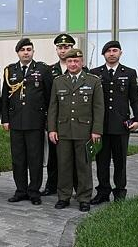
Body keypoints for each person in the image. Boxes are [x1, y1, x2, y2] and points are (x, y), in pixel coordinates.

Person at [48, 48, 104, 212]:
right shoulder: (58, 81)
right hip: (63, 130)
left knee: (84, 166)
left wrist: (96, 131)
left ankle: (84, 198)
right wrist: (52, 129)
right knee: (63, 165)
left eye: (76, 61)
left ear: (82, 62)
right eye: (70, 61)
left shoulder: (93, 81)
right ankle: (63, 197)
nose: (73, 64)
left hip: (85, 131)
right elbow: (53, 107)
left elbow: (99, 108)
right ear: (66, 62)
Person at [1, 38, 53, 205]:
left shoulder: (43, 70)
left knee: (35, 159)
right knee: (18, 159)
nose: (26, 52)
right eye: (22, 49)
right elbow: (5, 98)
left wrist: (47, 121)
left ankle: (34, 191)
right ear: (18, 52)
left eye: (29, 49)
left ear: (33, 52)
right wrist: (6, 119)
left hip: (35, 122)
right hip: (16, 122)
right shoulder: (10, 70)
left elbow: (49, 97)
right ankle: (20, 190)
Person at [90, 41, 138, 204]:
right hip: (101, 126)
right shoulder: (94, 73)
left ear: (120, 53)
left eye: (115, 50)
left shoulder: (130, 73)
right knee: (101, 161)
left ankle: (120, 192)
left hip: (121, 125)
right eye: (108, 51)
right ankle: (103, 192)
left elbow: (134, 98)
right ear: (103, 54)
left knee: (120, 161)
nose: (111, 53)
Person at [42, 34, 84, 196]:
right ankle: (52, 185)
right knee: (54, 156)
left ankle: (76, 186)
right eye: (60, 47)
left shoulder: (82, 71)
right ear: (56, 50)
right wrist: (49, 122)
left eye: (67, 47)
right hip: (56, 121)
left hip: (76, 122)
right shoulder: (49, 71)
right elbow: (46, 99)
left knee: (76, 157)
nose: (63, 50)